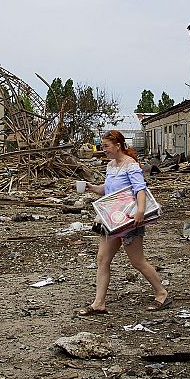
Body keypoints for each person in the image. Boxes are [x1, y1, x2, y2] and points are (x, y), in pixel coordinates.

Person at [78, 130, 171, 315]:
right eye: (103, 146)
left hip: (129, 219)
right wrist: (91, 188)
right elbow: (108, 189)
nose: (103, 150)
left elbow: (140, 189)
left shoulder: (131, 165)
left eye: (106, 146)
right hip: (112, 219)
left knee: (137, 261)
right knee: (102, 259)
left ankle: (162, 293)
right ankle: (99, 303)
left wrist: (141, 211)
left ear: (117, 145)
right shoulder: (111, 165)